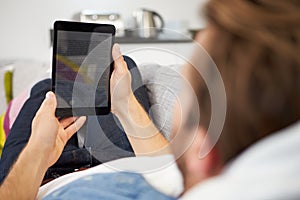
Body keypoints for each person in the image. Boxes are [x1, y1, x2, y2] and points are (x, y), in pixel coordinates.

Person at [1, 0, 300, 199]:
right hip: (119, 160)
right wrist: (125, 105)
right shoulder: (180, 183)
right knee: (121, 69)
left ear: (203, 150)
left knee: (48, 90)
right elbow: (169, 173)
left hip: (41, 175)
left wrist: (37, 154)